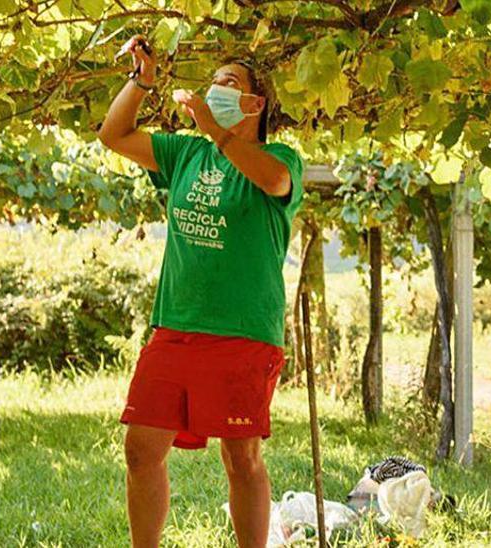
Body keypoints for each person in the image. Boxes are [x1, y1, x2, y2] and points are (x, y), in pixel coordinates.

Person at [96, 35, 305, 548]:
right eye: (213, 82)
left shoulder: (280, 158)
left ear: (255, 104)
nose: (215, 89)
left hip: (243, 332)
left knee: (242, 457)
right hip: (175, 326)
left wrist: (217, 132)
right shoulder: (187, 153)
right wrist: (142, 81)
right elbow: (113, 134)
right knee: (141, 448)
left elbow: (276, 181)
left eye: (229, 83)